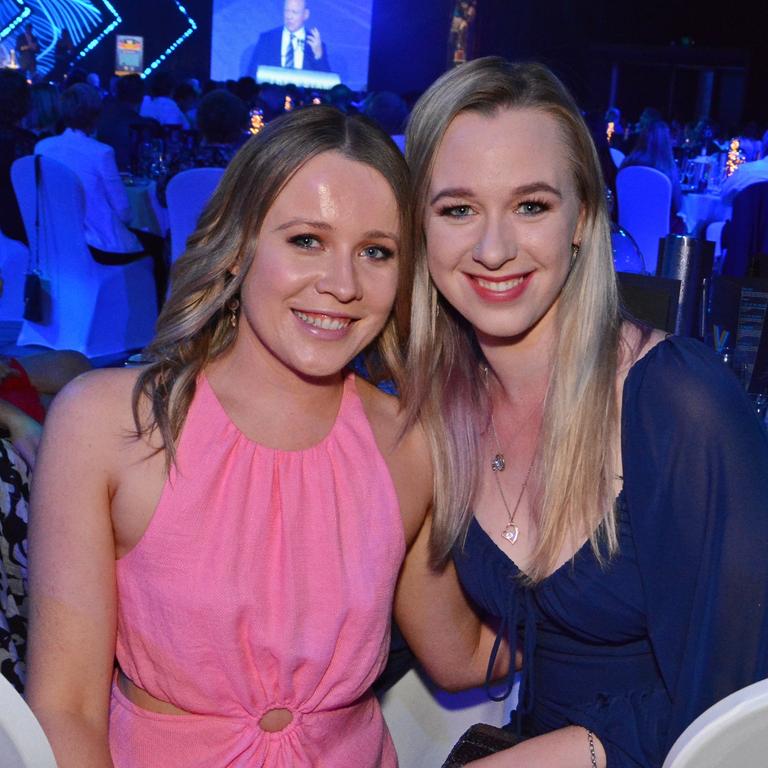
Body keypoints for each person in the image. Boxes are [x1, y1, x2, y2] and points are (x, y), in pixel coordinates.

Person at [25, 105, 435, 767]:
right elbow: (65, 708)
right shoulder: (106, 425)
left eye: (376, 252)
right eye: (307, 240)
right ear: (241, 244)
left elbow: (465, 654)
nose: (342, 284)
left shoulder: (408, 442)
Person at [398, 57, 768, 767]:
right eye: (457, 209)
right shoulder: (444, 413)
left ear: (584, 219)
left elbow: (738, 699)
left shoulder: (677, 403)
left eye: (531, 205)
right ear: (421, 228)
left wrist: (555, 755)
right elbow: (457, 659)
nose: (494, 248)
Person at [35, 83, 168, 306]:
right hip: (97, 245)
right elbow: (124, 213)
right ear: (96, 115)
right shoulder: (100, 153)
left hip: (55, 240)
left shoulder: (42, 148)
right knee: (157, 245)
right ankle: (153, 322)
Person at [619, 120, 684, 233]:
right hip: (662, 239)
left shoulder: (626, 165)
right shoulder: (668, 171)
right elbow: (677, 206)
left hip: (626, 232)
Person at [251, 0, 331, 73]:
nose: (289, 16)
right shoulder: (267, 39)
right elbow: (253, 73)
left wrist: (318, 56)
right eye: (286, 11)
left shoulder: (314, 44)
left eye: (294, 12)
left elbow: (327, 81)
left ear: (306, 14)